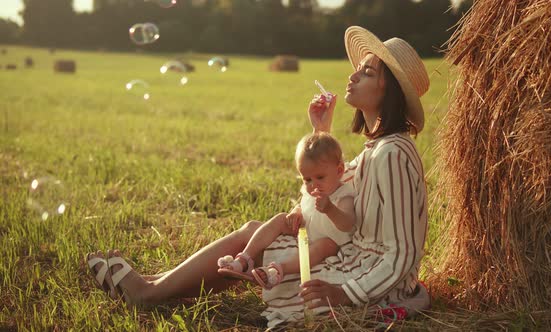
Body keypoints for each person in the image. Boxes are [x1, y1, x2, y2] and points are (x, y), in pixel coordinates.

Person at [86, 25, 430, 328]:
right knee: (254, 233)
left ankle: (148, 293)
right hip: (354, 259)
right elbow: (324, 188)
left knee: (260, 247)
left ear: (391, 93)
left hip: (369, 281)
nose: (353, 75)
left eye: (368, 73)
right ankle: (154, 284)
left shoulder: (393, 154)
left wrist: (343, 293)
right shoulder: (376, 150)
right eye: (358, 69)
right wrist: (320, 130)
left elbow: (401, 254)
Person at [217, 132, 355, 290]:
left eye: (320, 177)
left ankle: (278, 269)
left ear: (339, 171)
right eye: (307, 179)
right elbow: (304, 205)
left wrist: (330, 208)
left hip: (331, 242)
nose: (313, 185)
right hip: (305, 233)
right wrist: (296, 212)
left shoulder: (344, 195)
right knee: (281, 218)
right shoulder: (310, 190)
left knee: (326, 245)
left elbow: (348, 224)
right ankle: (243, 259)